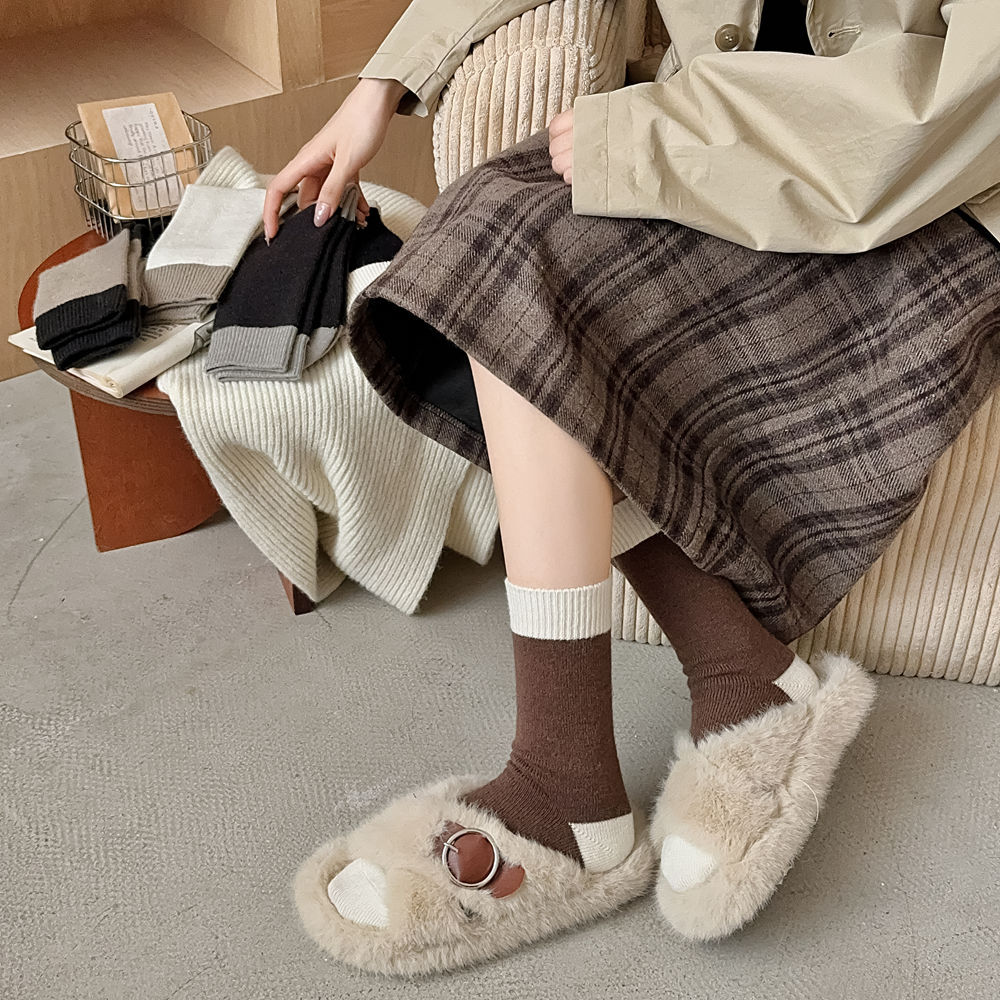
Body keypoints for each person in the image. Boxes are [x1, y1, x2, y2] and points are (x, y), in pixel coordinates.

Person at [268, 0, 1000, 976]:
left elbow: (968, 97)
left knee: (532, 273)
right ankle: (723, 677)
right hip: (706, 144)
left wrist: (662, 137)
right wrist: (380, 86)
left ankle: (568, 787)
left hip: (926, 191)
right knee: (489, 235)